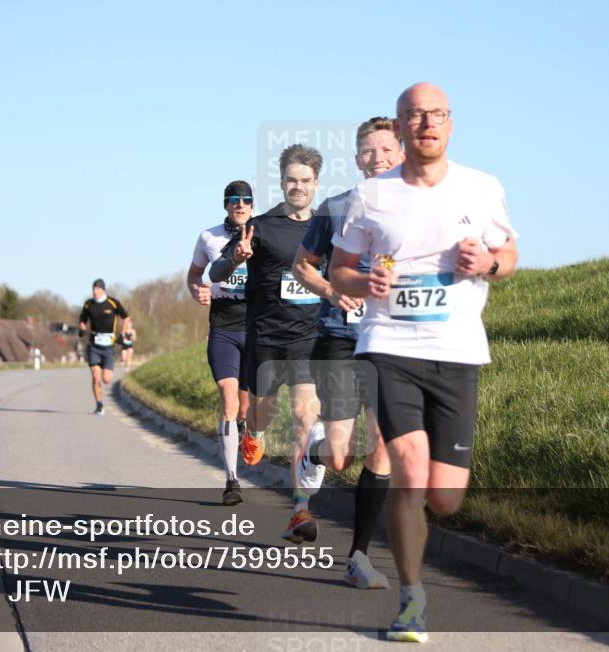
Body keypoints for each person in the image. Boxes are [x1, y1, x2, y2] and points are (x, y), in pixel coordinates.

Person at [330, 82, 519, 643]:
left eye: (436, 114)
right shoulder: (372, 196)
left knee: (446, 497)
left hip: (458, 351)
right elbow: (340, 269)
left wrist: (486, 261)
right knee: (407, 470)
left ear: (450, 124)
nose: (426, 124)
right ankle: (411, 599)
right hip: (389, 345)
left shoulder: (482, 188)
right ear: (400, 125)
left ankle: (414, 563)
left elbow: (509, 256)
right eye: (415, 115)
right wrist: (365, 279)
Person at [291, 116, 404, 589]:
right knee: (340, 456)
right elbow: (302, 266)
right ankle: (312, 455)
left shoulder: (417, 209)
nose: (377, 158)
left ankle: (358, 556)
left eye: (385, 150)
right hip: (339, 338)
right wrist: (331, 291)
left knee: (379, 447)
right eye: (367, 151)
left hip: (391, 340)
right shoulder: (337, 207)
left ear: (400, 153)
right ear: (357, 159)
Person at [209, 145, 326, 543]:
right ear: (281, 182)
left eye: (306, 181)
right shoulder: (259, 226)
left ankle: (300, 509)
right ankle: (252, 433)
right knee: (260, 418)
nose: (298, 187)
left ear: (316, 183)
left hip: (309, 338)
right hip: (265, 339)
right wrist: (237, 259)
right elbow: (216, 268)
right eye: (292, 180)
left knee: (305, 421)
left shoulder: (327, 226)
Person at [187, 180, 254, 506]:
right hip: (224, 328)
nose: (240, 205)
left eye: (246, 200)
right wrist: (197, 290)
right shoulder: (209, 237)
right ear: (225, 204)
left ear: (252, 205)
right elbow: (194, 275)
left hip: (256, 329)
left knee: (246, 408)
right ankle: (232, 480)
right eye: (234, 200)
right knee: (228, 399)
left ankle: (248, 433)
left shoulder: (263, 234)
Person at [78, 279, 132, 416]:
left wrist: (123, 333)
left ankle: (104, 376)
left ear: (103, 290)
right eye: (93, 289)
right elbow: (82, 321)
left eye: (97, 289)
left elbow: (126, 318)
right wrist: (82, 329)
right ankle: (99, 404)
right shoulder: (88, 304)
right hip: (94, 345)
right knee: (96, 377)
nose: (95, 292)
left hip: (108, 346)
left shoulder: (113, 302)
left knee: (106, 379)